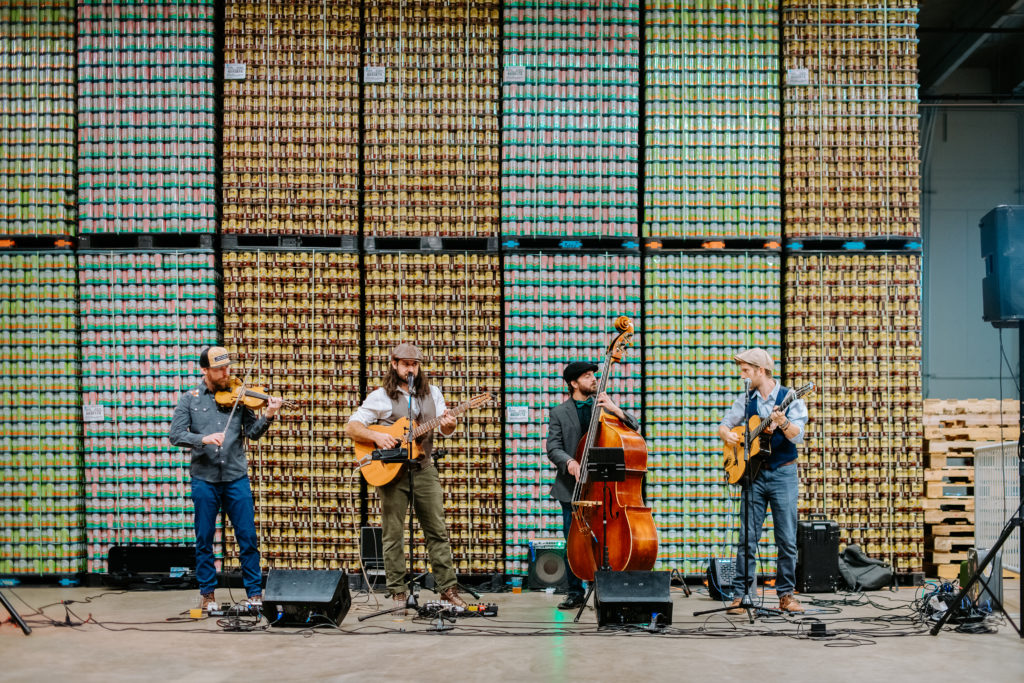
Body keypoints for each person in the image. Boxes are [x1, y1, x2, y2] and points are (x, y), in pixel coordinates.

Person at [345, 343, 467, 610]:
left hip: (423, 468)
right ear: (394, 364)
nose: (410, 369)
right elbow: (352, 427)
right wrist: (377, 436)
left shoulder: (433, 393)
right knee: (393, 533)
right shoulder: (381, 396)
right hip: (392, 474)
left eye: (415, 364)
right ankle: (398, 592)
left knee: (437, 530)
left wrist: (450, 424)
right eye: (405, 364)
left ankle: (448, 589)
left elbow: (446, 429)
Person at [168, 346, 282, 611]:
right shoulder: (190, 399)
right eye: (219, 369)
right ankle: (208, 595)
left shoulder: (240, 396)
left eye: (227, 367)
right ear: (205, 370)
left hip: (235, 477)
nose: (226, 373)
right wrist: (203, 439)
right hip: (204, 479)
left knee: (247, 538)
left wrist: (268, 415)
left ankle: (254, 594)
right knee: (204, 539)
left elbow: (252, 433)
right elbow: (175, 435)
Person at [718, 348, 808, 614]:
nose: (742, 376)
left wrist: (783, 423)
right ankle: (742, 595)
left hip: (783, 473)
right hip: (753, 475)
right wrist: (727, 435)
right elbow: (725, 424)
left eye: (746, 371)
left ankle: (786, 595)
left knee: (786, 538)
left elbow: (797, 435)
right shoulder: (746, 399)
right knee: (747, 538)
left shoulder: (790, 398)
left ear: (761, 371)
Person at [545, 361, 640, 609]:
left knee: (607, 539)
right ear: (573, 383)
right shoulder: (559, 412)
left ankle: (607, 586)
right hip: (573, 488)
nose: (593, 379)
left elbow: (634, 426)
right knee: (574, 541)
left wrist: (615, 408)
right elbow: (553, 448)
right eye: (587, 376)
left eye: (593, 375)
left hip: (606, 489)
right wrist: (570, 462)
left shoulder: (604, 406)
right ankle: (575, 591)